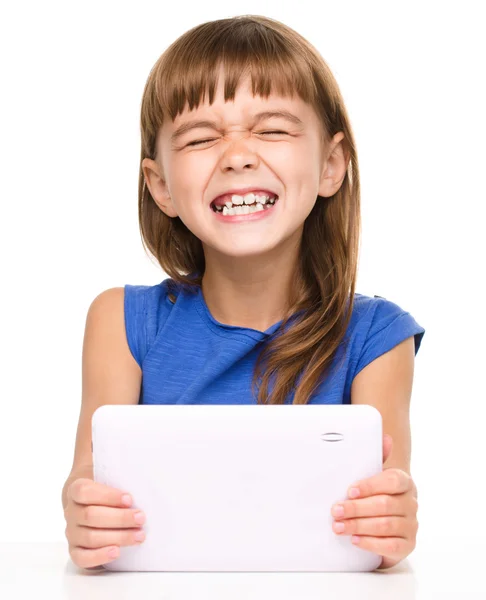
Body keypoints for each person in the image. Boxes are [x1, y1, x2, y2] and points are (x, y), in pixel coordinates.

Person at [62, 14, 425, 572]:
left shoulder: (377, 337)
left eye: (272, 129)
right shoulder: (121, 321)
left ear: (331, 166)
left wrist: (390, 523)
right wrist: (85, 514)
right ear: (160, 186)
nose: (236, 155)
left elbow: (379, 527)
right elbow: (87, 482)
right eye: (202, 138)